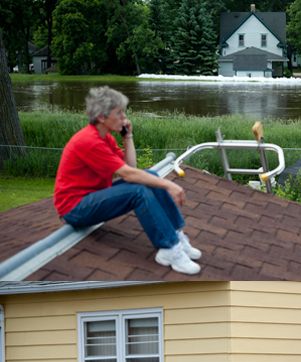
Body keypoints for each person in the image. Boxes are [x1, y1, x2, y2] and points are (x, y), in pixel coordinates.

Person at [53, 86, 201, 275]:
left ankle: (177, 237)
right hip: (74, 209)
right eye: (119, 112)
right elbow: (129, 175)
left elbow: (131, 167)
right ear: (101, 117)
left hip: (93, 197)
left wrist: (127, 136)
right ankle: (170, 249)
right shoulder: (89, 141)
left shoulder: (105, 138)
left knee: (151, 177)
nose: (124, 117)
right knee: (138, 191)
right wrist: (170, 184)